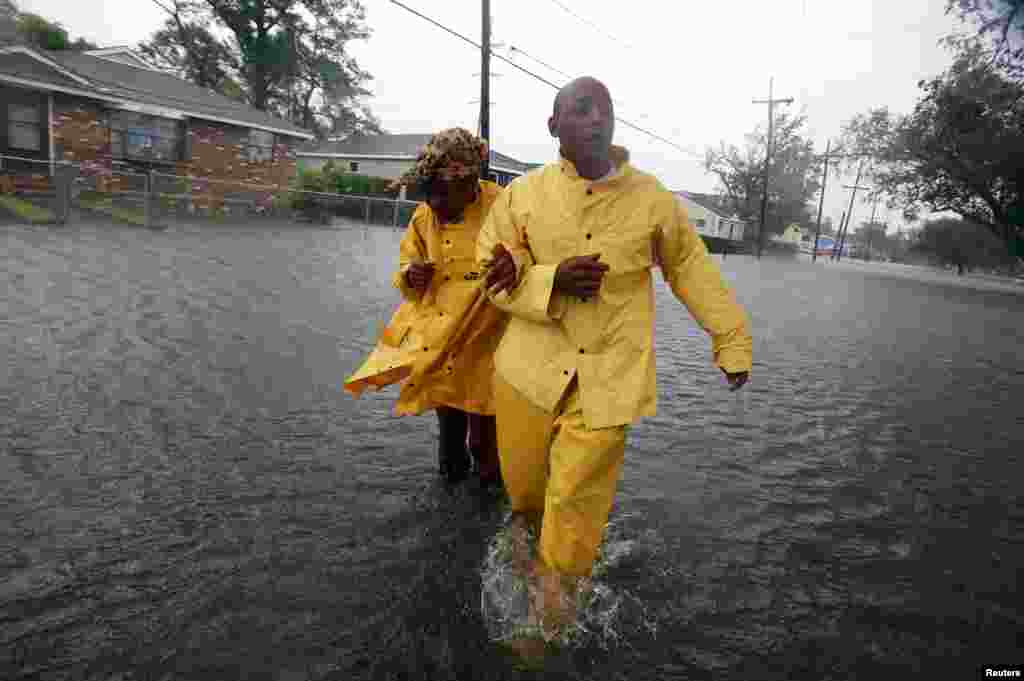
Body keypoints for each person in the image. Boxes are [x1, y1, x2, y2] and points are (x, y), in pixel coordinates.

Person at [477, 77, 753, 642]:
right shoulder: (521, 196)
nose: (596, 118)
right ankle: (527, 546)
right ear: (553, 126)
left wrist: (731, 339)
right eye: (580, 109)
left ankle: (547, 628)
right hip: (527, 373)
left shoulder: (653, 200)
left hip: (607, 378)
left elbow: (692, 271)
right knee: (527, 495)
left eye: (604, 109)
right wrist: (550, 281)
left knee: (575, 504)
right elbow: (492, 277)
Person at [345, 127, 516, 485]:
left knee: (486, 441)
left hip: (489, 342)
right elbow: (406, 266)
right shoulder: (424, 216)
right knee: (449, 437)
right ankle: (449, 512)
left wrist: (516, 264)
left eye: (439, 192)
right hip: (442, 342)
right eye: (426, 192)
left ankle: (489, 514)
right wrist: (411, 275)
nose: (431, 202)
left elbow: (530, 263)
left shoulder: (506, 208)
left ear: (469, 182)